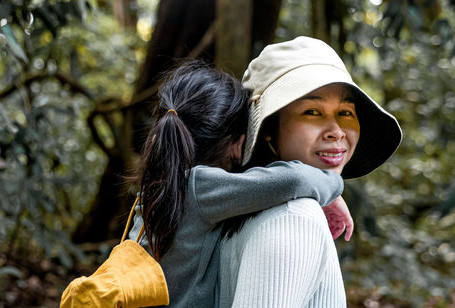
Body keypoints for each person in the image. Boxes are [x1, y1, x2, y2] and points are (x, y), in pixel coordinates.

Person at [128, 60, 354, 307]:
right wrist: (332, 188)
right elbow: (293, 180)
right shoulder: (198, 187)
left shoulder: (158, 188)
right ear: (238, 145)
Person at [219, 36, 402, 308]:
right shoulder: (293, 219)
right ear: (268, 130)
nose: (337, 131)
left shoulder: (237, 207)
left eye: (345, 112)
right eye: (313, 111)